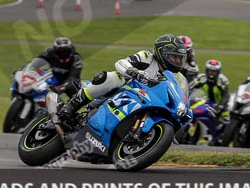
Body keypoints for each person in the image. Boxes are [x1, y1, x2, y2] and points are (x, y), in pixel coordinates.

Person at [49, 34, 190, 126]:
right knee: (113, 77)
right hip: (126, 91)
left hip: (149, 103)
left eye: (179, 58)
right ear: (162, 53)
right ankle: (71, 106)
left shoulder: (179, 78)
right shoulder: (147, 57)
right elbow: (121, 63)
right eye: (174, 57)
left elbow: (182, 98)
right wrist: (133, 71)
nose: (177, 61)